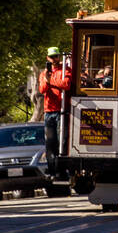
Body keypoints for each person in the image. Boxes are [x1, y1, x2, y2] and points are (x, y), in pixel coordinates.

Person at [38, 46, 72, 176]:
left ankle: (61, 169)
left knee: (61, 141)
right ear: (48, 58)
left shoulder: (65, 70)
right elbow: (42, 89)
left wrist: (50, 80)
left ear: (59, 57)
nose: (54, 59)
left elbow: (66, 85)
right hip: (49, 111)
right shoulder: (44, 73)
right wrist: (47, 79)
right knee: (50, 142)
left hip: (61, 111)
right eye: (51, 57)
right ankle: (52, 169)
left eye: (56, 56)